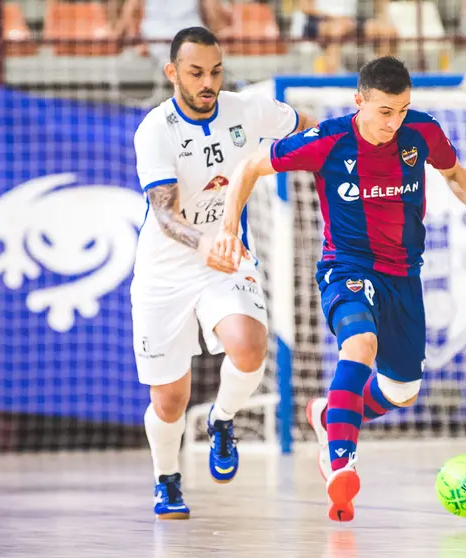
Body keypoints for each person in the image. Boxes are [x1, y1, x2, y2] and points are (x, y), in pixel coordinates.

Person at [213, 56, 466, 522]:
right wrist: (230, 227)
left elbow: (454, 174)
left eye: (403, 109)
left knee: (401, 392)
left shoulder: (422, 132)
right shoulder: (329, 139)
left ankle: (328, 413)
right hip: (347, 266)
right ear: (360, 102)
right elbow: (249, 167)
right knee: (360, 343)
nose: (394, 122)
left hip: (404, 276)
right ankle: (340, 463)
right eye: (384, 112)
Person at [131, 26, 315, 520]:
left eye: (215, 71)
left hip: (226, 257)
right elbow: (166, 217)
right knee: (169, 399)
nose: (208, 81)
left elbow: (310, 127)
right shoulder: (155, 129)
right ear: (172, 72)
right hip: (165, 271)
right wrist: (204, 242)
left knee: (251, 344)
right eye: (196, 72)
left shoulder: (246, 109)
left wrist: (347, 151)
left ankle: (222, 418)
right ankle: (167, 478)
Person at [292, 0, 397, 74]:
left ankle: (384, 76)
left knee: (388, 32)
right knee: (337, 31)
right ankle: (330, 80)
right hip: (316, 21)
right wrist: (336, 18)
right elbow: (305, 8)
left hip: (349, 21)